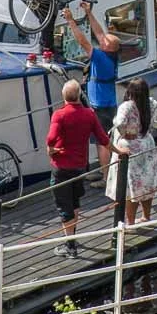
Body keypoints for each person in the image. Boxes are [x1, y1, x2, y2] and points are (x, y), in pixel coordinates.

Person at [45, 80, 110, 257]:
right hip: (79, 166)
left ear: (64, 96)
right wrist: (120, 151)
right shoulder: (89, 114)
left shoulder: (59, 115)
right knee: (74, 201)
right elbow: (103, 139)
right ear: (79, 95)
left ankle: (70, 246)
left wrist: (50, 149)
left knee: (63, 205)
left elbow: (51, 138)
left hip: (61, 167)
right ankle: (72, 237)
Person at [105, 78, 157, 224]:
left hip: (131, 146)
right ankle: (146, 216)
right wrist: (152, 126)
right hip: (147, 143)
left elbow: (119, 122)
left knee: (132, 187)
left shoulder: (127, 106)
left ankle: (130, 222)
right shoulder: (150, 102)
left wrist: (125, 133)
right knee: (146, 182)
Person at [60, 5, 123, 132]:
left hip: (101, 108)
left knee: (102, 142)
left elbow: (83, 42)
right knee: (105, 139)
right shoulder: (111, 55)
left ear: (108, 47)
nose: (102, 40)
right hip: (107, 104)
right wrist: (89, 12)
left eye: (104, 42)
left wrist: (71, 21)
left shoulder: (101, 58)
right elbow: (99, 33)